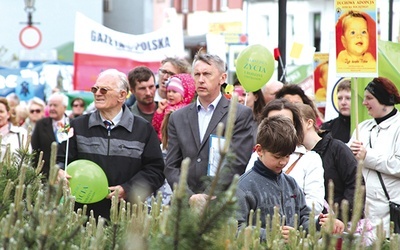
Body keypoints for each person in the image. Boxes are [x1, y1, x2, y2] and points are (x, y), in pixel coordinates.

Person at [57, 69, 165, 220]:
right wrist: (59, 171)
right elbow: (60, 159)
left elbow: (155, 171)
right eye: (95, 89)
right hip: (82, 218)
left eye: (104, 90)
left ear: (122, 95)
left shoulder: (143, 129)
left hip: (127, 218)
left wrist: (127, 189)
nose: (97, 93)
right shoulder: (76, 125)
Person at [237, 116, 344, 241]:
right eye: (277, 157)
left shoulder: (291, 183)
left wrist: (320, 225)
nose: (283, 162)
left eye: (287, 156)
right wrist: (271, 235)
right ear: (259, 150)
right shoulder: (244, 186)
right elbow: (234, 228)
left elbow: (303, 221)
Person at [164, 52, 254, 203]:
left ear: (222, 78)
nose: (200, 80)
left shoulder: (239, 114)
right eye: (197, 74)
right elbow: (171, 166)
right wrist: (190, 197)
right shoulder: (178, 117)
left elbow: (236, 162)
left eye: (206, 74)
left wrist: (207, 196)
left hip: (220, 205)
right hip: (184, 205)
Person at [246, 99, 325, 214]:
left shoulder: (310, 159)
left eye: (286, 122)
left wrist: (287, 208)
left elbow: (315, 204)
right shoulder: (257, 157)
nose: (280, 127)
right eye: (274, 122)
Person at [349, 77, 400, 238]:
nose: (364, 103)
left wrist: (367, 156)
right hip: (362, 210)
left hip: (388, 210)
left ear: (384, 100)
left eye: (369, 98)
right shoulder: (362, 127)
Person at [298, 103, 358, 221]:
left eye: (295, 123)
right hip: (308, 225)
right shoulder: (292, 154)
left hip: (341, 224)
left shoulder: (337, 148)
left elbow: (355, 184)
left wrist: (340, 216)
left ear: (309, 123)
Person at [31, 92, 69, 177]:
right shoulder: (41, 124)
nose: (51, 108)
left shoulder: (71, 123)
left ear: (64, 107)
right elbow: (35, 150)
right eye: (50, 105)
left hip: (66, 175)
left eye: (55, 105)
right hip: (45, 174)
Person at [152, 73, 196, 141]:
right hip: (162, 142)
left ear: (184, 94)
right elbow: (156, 126)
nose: (170, 94)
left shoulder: (186, 110)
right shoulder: (166, 107)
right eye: (169, 91)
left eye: (174, 92)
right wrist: (160, 110)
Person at [233, 79, 266, 144]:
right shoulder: (226, 119)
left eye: (244, 95)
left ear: (256, 97)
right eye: (236, 94)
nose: (239, 99)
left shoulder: (263, 123)